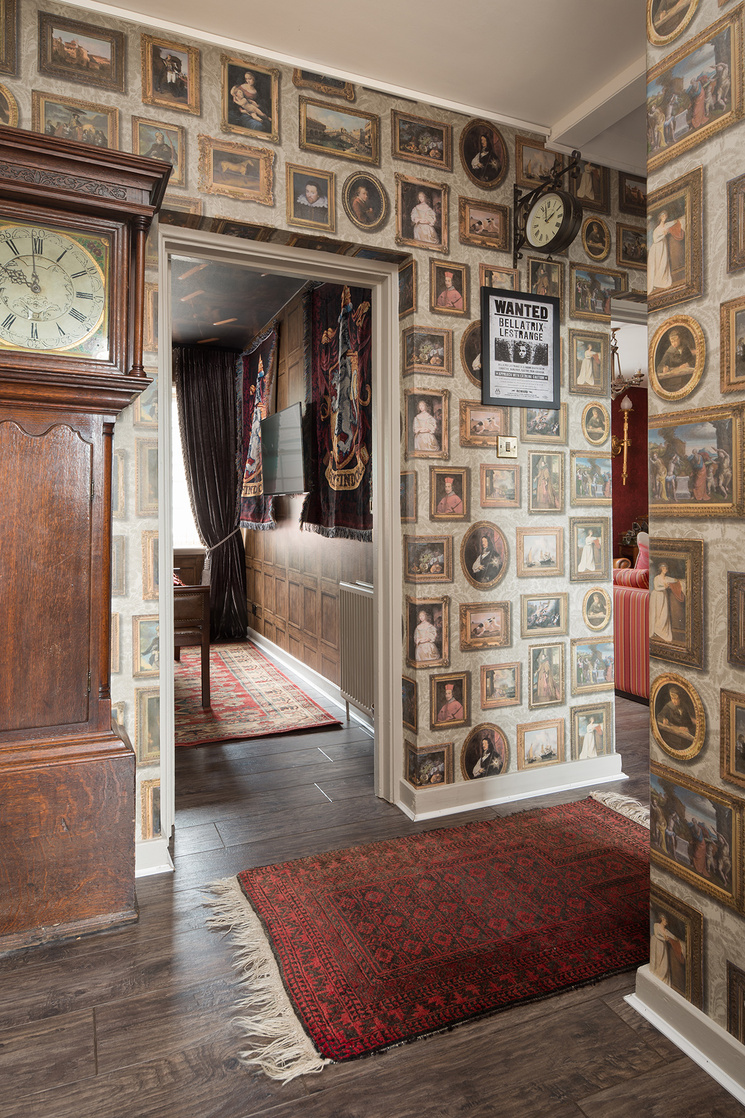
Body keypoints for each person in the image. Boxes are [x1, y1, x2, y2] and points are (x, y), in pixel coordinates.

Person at [649, 208, 686, 292]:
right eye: (663, 216)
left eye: (665, 216)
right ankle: (656, 282)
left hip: (663, 246)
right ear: (660, 218)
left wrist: (680, 219)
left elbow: (674, 222)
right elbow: (655, 240)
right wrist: (663, 235)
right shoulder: (657, 229)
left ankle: (661, 280)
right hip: (657, 248)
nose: (664, 217)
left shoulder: (666, 225)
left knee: (664, 262)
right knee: (659, 264)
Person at [650, 561, 685, 643]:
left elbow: (675, 580)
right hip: (656, 596)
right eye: (664, 568)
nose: (665, 569)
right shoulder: (657, 578)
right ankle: (655, 629)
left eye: (666, 568)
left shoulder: (667, 578)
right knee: (657, 613)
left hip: (663, 596)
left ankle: (660, 629)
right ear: (661, 569)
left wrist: (679, 581)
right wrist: (664, 587)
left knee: (664, 614)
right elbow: (656, 588)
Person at [650, 912, 684, 987]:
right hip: (656, 944)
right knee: (657, 960)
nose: (666, 922)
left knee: (664, 963)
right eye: (665, 920)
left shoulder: (666, 931)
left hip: (663, 946)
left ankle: (663, 979)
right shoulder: (656, 925)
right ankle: (656, 975)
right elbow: (656, 935)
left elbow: (674, 937)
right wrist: (664, 939)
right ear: (662, 919)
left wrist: (676, 940)